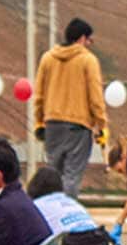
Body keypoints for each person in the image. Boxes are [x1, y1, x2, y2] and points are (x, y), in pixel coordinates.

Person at [34, 18, 108, 198]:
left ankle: (49, 210)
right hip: (78, 126)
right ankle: (67, 211)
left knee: (53, 175)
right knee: (72, 176)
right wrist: (102, 125)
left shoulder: (47, 58)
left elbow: (39, 95)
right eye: (89, 40)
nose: (89, 44)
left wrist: (39, 122)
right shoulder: (88, 60)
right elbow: (95, 97)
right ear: (82, 38)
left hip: (52, 124)